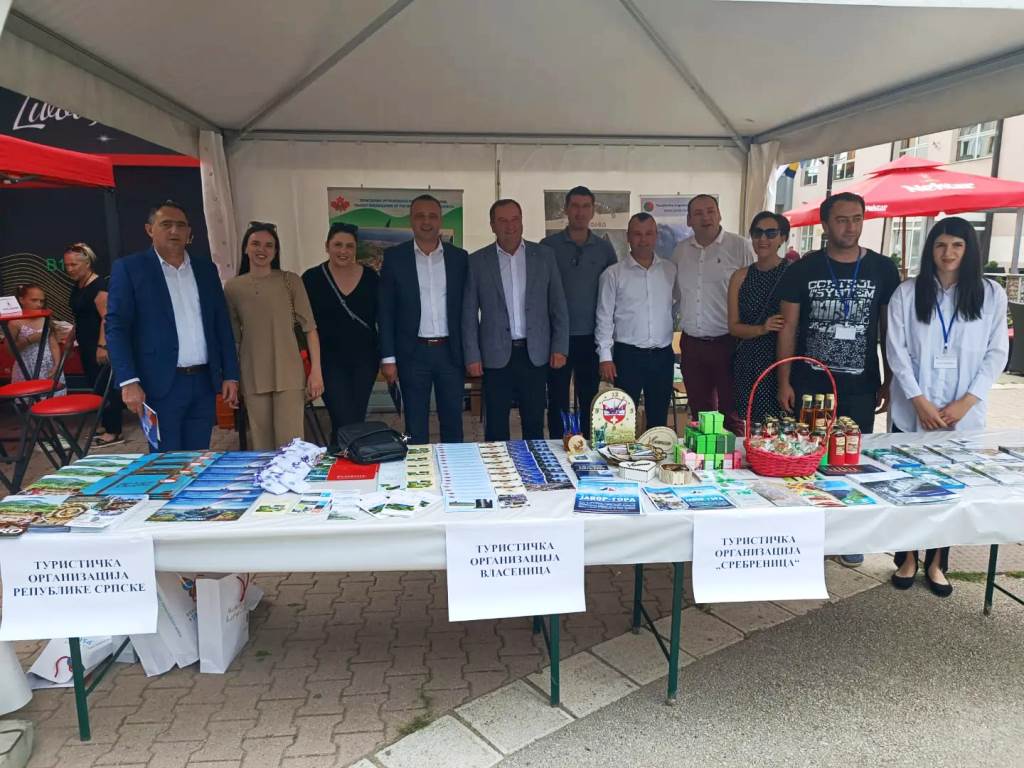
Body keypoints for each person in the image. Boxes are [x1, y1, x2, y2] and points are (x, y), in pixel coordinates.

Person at [776, 191, 900, 568]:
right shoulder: (803, 269)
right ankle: (809, 534)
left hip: (861, 385)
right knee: (807, 459)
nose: (850, 227)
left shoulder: (882, 269)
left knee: (852, 461)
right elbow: (788, 328)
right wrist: (784, 381)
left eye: (857, 219)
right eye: (842, 219)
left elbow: (889, 330)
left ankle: (849, 536)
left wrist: (889, 379)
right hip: (810, 384)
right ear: (826, 224)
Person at [886, 217, 1009, 597]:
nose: (948, 253)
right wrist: (919, 401)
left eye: (957, 245)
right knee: (907, 485)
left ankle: (938, 562)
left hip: (963, 414)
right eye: (941, 245)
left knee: (950, 490)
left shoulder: (991, 294)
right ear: (930, 250)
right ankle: (907, 557)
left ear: (969, 249)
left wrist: (966, 402)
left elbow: (996, 353)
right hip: (913, 410)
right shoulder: (908, 293)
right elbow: (896, 351)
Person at [105, 200, 240, 451]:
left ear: (189, 232)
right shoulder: (130, 269)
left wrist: (230, 373)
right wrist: (128, 381)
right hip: (158, 384)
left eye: (181, 225)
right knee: (165, 461)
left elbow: (221, 324)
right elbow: (117, 328)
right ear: (150, 229)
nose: (174, 231)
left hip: (203, 382)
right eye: (166, 224)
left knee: (198, 458)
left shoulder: (206, 270)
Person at [462, 199, 569, 441]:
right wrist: (472, 355)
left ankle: (533, 465)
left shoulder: (544, 256)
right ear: (492, 225)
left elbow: (558, 306)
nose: (509, 226)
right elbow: (468, 313)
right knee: (496, 426)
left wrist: (560, 347)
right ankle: (499, 466)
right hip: (495, 355)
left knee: (534, 423)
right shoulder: (478, 261)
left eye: (514, 219)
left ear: (522, 221)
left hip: (535, 354)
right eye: (502, 220)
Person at [225, 223, 324, 450]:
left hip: (289, 372)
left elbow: (310, 329)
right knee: (261, 444)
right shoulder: (233, 288)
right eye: (256, 244)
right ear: (245, 248)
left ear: (276, 251)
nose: (262, 249)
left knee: (291, 445)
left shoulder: (290, 281)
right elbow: (234, 339)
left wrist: (316, 372)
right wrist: (232, 378)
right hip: (252, 373)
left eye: (269, 245)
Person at [378, 195, 468, 444]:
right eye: (420, 216)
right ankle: (419, 469)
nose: (426, 222)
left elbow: (469, 309)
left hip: (451, 353)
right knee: (415, 426)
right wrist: (388, 358)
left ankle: (454, 467)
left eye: (432, 216)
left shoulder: (459, 258)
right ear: (411, 220)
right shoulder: (395, 258)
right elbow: (385, 310)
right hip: (412, 353)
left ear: (441, 220)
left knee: (453, 423)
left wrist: (472, 353)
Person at [672, 194, 754, 433]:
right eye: (698, 213)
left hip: (729, 343)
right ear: (689, 220)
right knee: (701, 415)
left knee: (732, 414)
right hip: (692, 346)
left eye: (710, 211)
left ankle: (735, 458)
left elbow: (752, 291)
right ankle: (705, 458)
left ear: (719, 214)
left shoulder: (740, 247)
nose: (705, 217)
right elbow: (674, 294)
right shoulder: (680, 251)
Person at [541, 186, 618, 438]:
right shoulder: (548, 247)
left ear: (593, 211)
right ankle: (557, 446)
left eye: (586, 206)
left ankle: (586, 446)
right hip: (557, 338)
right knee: (557, 399)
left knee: (589, 398)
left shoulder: (604, 249)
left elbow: (614, 293)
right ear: (565, 209)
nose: (580, 212)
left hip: (591, 338)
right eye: (574, 206)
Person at [595, 212, 677, 428]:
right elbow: (604, 317)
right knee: (621, 423)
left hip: (662, 356)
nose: (643, 240)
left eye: (649, 233)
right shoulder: (613, 274)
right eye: (637, 234)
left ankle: (656, 451)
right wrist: (605, 357)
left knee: (658, 421)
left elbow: (677, 305)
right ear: (628, 237)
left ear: (656, 236)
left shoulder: (669, 270)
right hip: (627, 357)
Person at [302, 223, 379, 439]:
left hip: (365, 361)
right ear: (327, 246)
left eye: (349, 246)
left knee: (356, 416)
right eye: (337, 245)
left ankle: (346, 456)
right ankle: (345, 455)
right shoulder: (312, 279)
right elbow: (305, 325)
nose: (343, 251)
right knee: (342, 417)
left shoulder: (371, 278)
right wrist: (313, 368)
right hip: (328, 362)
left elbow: (382, 316)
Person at [728, 212, 790, 425]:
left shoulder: (793, 273)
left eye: (771, 233)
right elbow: (733, 327)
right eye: (757, 233)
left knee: (785, 427)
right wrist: (762, 328)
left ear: (782, 238)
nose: (763, 239)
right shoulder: (740, 277)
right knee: (754, 427)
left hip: (784, 362)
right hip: (750, 362)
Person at [63, 243, 124, 445]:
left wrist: (102, 346)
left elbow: (106, 318)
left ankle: (114, 431)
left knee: (106, 386)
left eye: (74, 264)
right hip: (85, 342)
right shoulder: (77, 286)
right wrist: (71, 338)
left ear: (87, 263)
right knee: (95, 384)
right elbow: (80, 316)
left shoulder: (99, 286)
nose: (70, 269)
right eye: (67, 265)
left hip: (99, 343)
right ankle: (106, 423)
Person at [8, 284, 65, 396]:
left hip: (48, 365)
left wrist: (57, 364)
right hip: (27, 366)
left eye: (41, 301)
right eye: (34, 300)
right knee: (31, 399)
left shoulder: (45, 318)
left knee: (52, 398)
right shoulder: (14, 323)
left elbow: (53, 345)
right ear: (22, 300)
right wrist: (29, 340)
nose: (39, 305)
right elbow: (10, 351)